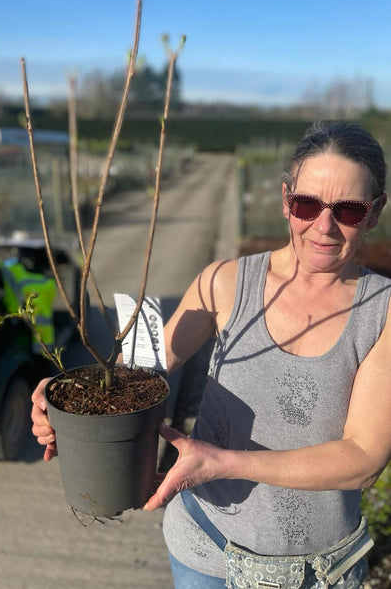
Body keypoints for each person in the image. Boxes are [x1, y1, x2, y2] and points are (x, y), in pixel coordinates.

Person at [31, 120, 391, 588]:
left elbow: (362, 460)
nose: (323, 226)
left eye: (348, 210)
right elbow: (137, 373)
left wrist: (222, 462)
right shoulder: (224, 283)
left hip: (317, 573)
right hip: (204, 553)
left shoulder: (381, 311)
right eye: (307, 204)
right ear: (286, 201)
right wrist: (64, 399)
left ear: (375, 212)